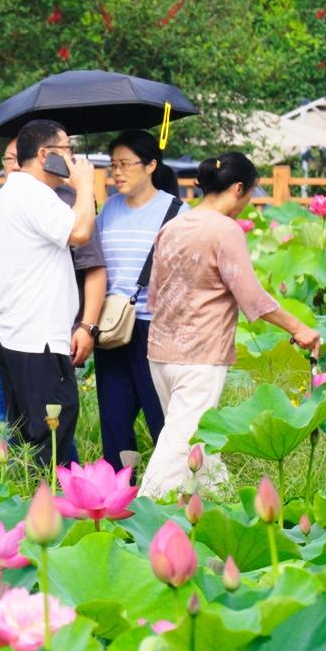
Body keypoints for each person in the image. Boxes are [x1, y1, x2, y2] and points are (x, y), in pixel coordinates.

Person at [138, 153, 322, 501]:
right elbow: (250, 295)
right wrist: (298, 327)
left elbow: (154, 296)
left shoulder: (172, 227)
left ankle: (223, 504)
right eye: (251, 193)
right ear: (238, 188)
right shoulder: (225, 230)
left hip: (160, 354)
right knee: (179, 448)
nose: (249, 202)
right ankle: (143, 515)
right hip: (200, 356)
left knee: (197, 441)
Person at [0, 120, 99, 469]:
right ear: (44, 154)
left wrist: (10, 295)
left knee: (27, 435)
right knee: (51, 435)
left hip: (12, 337)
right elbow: (79, 231)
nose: (73, 157)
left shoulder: (9, 193)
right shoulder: (34, 194)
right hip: (40, 343)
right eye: (67, 149)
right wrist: (84, 187)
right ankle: (45, 512)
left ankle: (28, 506)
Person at [94, 129, 182, 467]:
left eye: (125, 164)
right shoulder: (109, 211)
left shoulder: (177, 212)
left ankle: (170, 486)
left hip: (156, 328)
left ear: (150, 166)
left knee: (161, 416)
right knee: (114, 419)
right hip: (113, 327)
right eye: (113, 165)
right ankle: (118, 490)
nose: (117, 172)